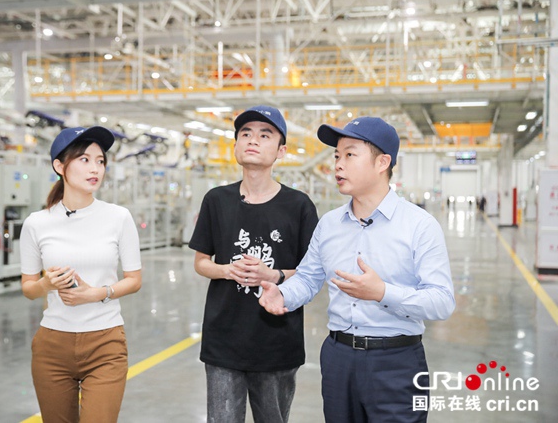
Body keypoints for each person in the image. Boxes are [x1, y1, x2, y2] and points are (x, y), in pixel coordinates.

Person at [259, 117, 455, 423]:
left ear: (382, 163)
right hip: (338, 360)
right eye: (337, 155)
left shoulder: (419, 226)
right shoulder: (329, 224)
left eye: (350, 154)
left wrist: (382, 293)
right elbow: (308, 278)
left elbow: (442, 301)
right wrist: (282, 294)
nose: (338, 164)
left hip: (396, 362)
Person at [189, 105, 319, 423]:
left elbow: (312, 272)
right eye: (245, 133)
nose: (253, 140)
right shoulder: (216, 200)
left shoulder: (299, 205)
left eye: (265, 135)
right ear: (235, 145)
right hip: (223, 339)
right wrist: (226, 270)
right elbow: (201, 262)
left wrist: (272, 274)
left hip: (277, 341)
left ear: (281, 151)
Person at [20, 126, 142, 423]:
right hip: (52, 345)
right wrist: (46, 284)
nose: (95, 169)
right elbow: (28, 288)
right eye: (84, 160)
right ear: (59, 166)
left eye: (100, 161)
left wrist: (97, 293)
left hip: (106, 342)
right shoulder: (36, 223)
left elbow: (134, 280)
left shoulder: (118, 217)